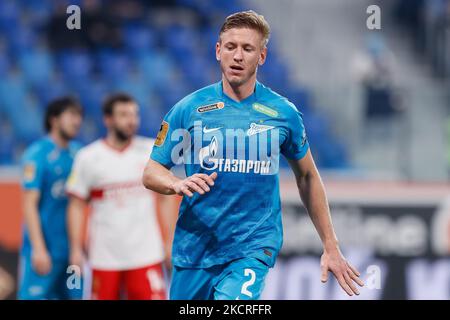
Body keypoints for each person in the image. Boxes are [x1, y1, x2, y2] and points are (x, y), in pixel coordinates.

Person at [142, 10, 365, 300]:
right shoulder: (189, 109)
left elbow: (308, 176)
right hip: (195, 247)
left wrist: (331, 245)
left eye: (248, 49)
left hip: (252, 246)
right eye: (231, 47)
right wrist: (175, 183)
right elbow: (151, 171)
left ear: (261, 56)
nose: (238, 56)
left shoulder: (283, 114)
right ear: (218, 50)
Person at [66, 93, 173, 300]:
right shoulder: (88, 157)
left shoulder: (151, 152)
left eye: (135, 115)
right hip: (104, 258)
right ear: (108, 120)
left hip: (146, 255)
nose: (131, 120)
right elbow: (76, 205)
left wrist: (169, 241)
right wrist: (76, 249)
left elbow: (165, 198)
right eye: (124, 115)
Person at [18, 97, 83, 299]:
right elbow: (29, 205)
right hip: (44, 250)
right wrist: (38, 248)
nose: (77, 121)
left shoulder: (79, 154)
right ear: (54, 120)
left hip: (71, 253)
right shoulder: (36, 155)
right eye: (71, 115)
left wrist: (78, 248)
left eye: (79, 116)